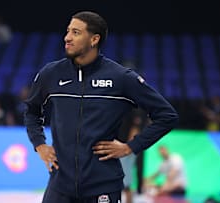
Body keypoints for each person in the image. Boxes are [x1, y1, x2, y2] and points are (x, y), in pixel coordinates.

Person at [24, 11, 178, 203]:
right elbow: (31, 111)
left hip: (103, 187)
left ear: (94, 39)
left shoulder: (121, 78)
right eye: (68, 31)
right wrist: (39, 144)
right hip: (59, 186)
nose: (67, 37)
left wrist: (131, 147)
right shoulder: (51, 73)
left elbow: (167, 116)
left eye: (76, 32)